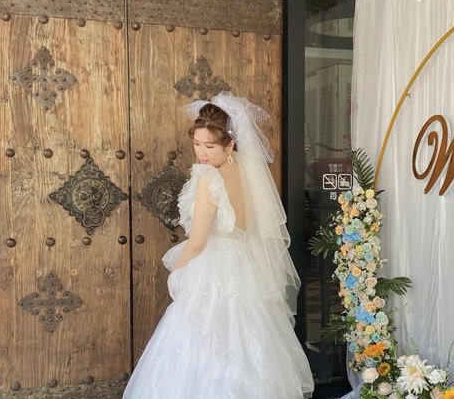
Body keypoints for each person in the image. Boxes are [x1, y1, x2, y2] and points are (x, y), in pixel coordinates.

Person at [123, 92, 314, 398]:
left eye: (209, 146)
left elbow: (198, 241)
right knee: (249, 346)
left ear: (230, 143)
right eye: (197, 143)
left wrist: (177, 274)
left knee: (203, 345)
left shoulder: (209, 178)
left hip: (214, 269)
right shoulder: (247, 173)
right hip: (246, 268)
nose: (201, 152)